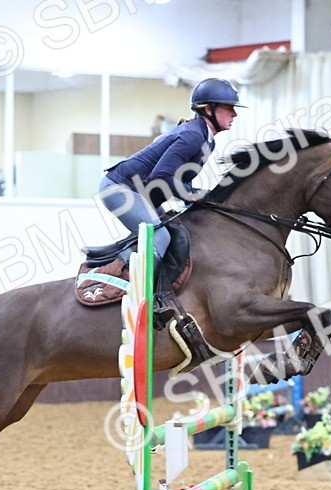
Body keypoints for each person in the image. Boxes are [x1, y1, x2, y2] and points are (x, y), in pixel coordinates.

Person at [95, 78, 243, 325]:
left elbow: (178, 179)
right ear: (208, 109)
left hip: (141, 192)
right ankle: (147, 302)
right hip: (120, 189)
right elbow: (162, 177)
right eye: (229, 108)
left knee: (175, 230)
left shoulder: (207, 139)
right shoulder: (193, 136)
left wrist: (201, 197)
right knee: (160, 237)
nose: (234, 114)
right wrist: (194, 195)